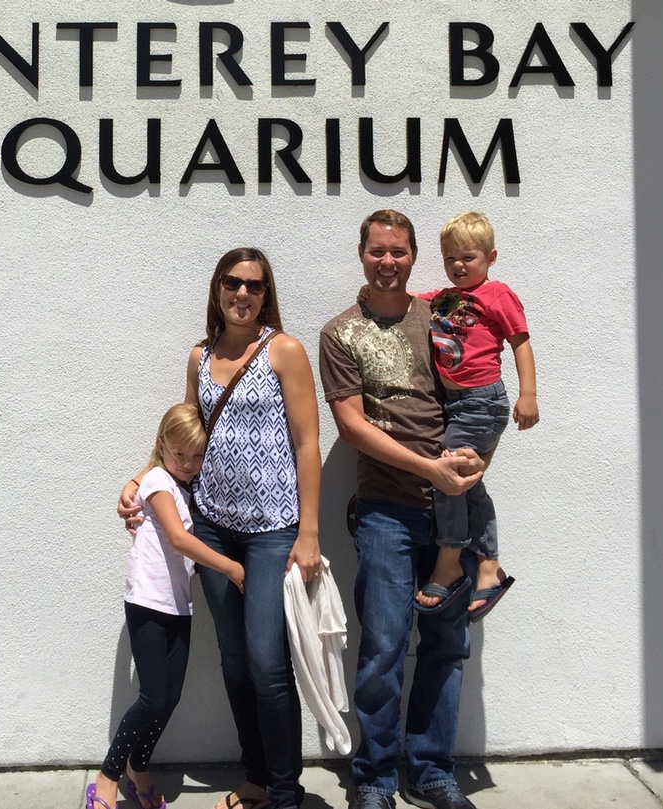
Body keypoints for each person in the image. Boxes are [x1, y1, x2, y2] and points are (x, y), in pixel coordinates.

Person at [119, 247, 322, 809]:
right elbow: (183, 435)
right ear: (217, 290)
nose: (242, 294)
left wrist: (308, 531)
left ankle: (284, 792)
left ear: (266, 293)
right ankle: (257, 777)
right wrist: (140, 480)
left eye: (254, 286)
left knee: (266, 659)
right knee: (234, 659)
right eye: (232, 283)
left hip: (273, 528)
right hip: (210, 524)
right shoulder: (200, 357)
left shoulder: (284, 350)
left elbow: (308, 443)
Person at [318, 210, 486, 809]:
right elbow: (352, 427)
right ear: (361, 254)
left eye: (399, 252)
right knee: (384, 645)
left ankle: (432, 769)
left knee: (446, 642)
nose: (388, 262)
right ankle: (375, 778)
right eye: (377, 251)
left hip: (454, 509)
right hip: (386, 508)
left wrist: (476, 458)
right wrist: (429, 469)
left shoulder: (442, 317)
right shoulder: (340, 334)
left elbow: (478, 391)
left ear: (414, 256)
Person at [88, 403, 246, 809]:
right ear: (162, 447)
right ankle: (107, 777)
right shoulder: (157, 479)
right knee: (153, 697)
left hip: (177, 604)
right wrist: (231, 567)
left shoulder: (185, 485)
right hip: (147, 601)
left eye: (198, 456)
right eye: (181, 455)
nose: (190, 464)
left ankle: (138, 769)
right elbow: (177, 538)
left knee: (169, 697)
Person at [412, 211, 539, 618]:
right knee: (468, 483)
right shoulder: (444, 299)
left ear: (491, 257)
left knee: (447, 475)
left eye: (467, 257)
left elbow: (520, 343)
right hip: (455, 405)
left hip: (482, 401)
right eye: (450, 258)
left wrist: (528, 395)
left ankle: (449, 563)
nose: (458, 266)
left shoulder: (498, 294)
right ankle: (489, 567)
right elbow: (411, 304)